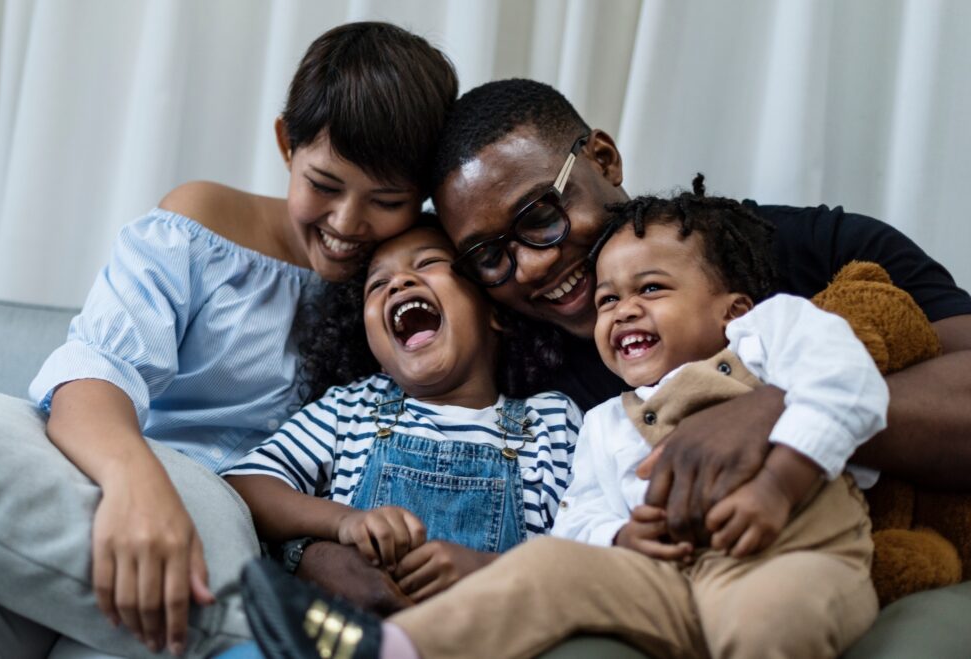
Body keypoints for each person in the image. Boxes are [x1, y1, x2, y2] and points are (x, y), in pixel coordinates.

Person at [294, 78, 971, 654]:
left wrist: (767, 410)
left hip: (824, 559)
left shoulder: (798, 256)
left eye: (539, 214)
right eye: (489, 255)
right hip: (659, 585)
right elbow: (565, 524)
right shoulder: (524, 368)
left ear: (604, 159)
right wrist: (319, 550)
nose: (530, 265)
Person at [0, 21, 457, 659]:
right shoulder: (201, 226)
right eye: (324, 185)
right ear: (285, 145)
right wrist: (136, 485)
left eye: (387, 200)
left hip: (229, 530)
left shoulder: (410, 295)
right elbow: (97, 372)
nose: (347, 224)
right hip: (110, 472)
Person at [236, 179, 890, 659]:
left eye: (651, 289)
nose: (622, 310)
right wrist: (621, 540)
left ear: (733, 307)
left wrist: (779, 482)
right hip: (668, 585)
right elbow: (575, 521)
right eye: (607, 300)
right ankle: (392, 649)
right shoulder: (607, 420)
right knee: (551, 566)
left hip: (791, 555)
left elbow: (850, 381)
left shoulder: (770, 334)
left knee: (770, 616)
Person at [218, 220, 580, 659]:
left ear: (494, 311)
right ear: (375, 348)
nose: (401, 282)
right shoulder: (352, 408)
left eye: (427, 263)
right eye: (377, 284)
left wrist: (486, 570)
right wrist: (341, 521)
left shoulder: (550, 422)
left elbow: (582, 561)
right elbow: (246, 484)